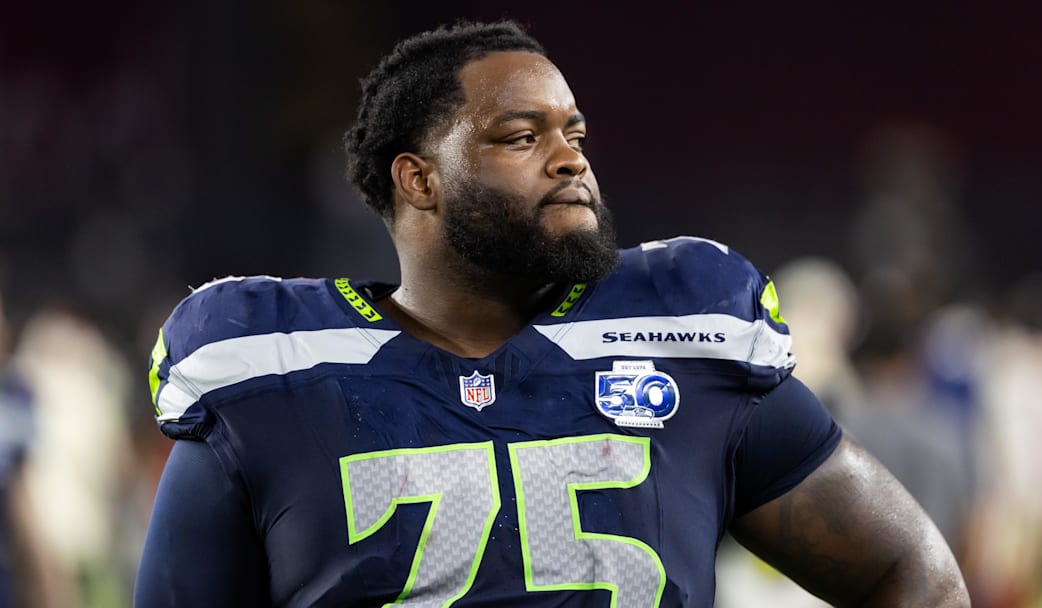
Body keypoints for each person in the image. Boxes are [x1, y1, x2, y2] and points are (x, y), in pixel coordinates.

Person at [134, 20, 969, 607]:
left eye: (573, 131)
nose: (570, 158)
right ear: (418, 179)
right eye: (519, 136)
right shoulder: (266, 379)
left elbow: (912, 573)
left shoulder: (683, 338)